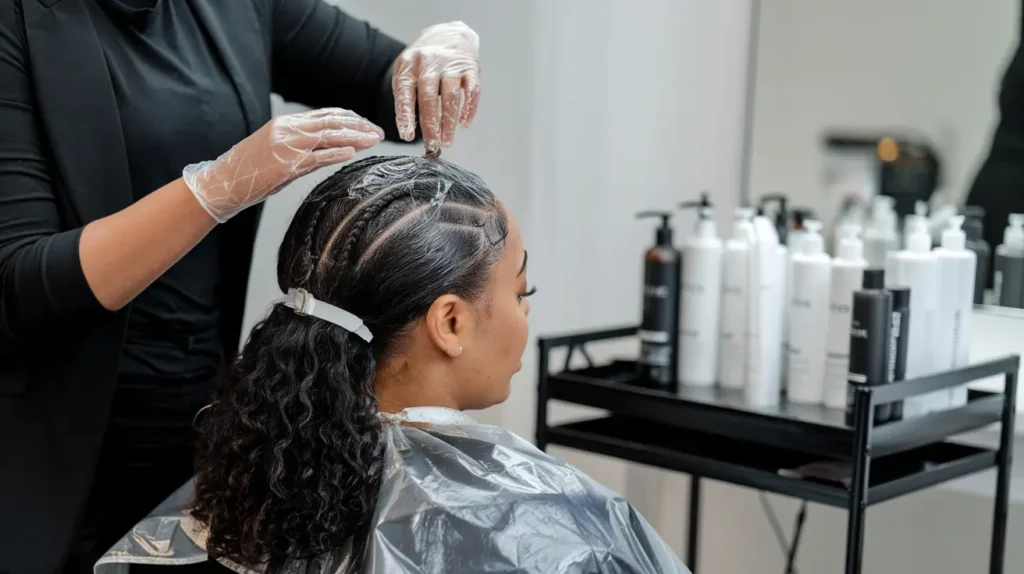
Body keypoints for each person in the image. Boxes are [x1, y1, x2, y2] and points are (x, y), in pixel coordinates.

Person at [0, 0, 480, 571]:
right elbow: (20, 286)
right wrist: (212, 188)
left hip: (201, 423)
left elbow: (397, 96)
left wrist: (443, 54)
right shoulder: (19, 22)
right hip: (46, 446)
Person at [93, 155, 691, 574]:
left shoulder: (246, 485)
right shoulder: (555, 521)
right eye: (522, 292)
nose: (525, 314)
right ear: (450, 322)